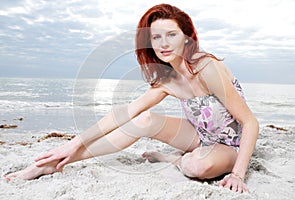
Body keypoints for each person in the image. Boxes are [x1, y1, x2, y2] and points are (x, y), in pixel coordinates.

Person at [4, 4, 258, 193]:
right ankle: (52, 165)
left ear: (187, 37)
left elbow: (250, 123)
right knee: (143, 120)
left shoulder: (206, 67)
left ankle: (175, 159)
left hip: (232, 145)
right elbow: (124, 113)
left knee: (198, 168)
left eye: (171, 34)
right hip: (200, 137)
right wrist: (72, 144)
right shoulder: (167, 80)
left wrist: (238, 174)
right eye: (156, 37)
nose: (163, 43)